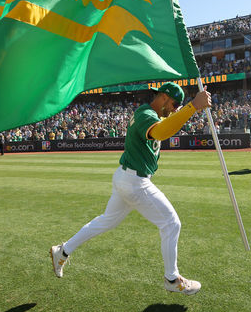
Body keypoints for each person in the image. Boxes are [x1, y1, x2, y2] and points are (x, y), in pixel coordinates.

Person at [49, 82, 211, 296]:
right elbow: (161, 132)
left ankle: (63, 251)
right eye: (173, 103)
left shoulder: (153, 113)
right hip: (135, 181)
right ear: (162, 97)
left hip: (125, 177)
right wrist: (192, 107)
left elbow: (167, 121)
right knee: (171, 224)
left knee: (105, 221)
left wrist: (185, 110)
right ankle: (172, 279)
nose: (174, 109)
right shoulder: (146, 113)